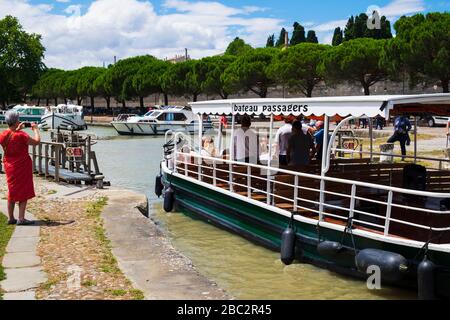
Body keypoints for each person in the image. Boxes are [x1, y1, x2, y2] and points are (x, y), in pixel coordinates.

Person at [0, 111, 41, 225]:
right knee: (23, 190)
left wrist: (17, 129)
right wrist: (35, 130)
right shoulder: (22, 135)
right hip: (22, 165)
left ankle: (11, 218)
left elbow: (10, 136)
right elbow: (37, 141)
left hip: (9, 165)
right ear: (16, 121)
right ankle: (21, 218)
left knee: (12, 191)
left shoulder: (3, 135)